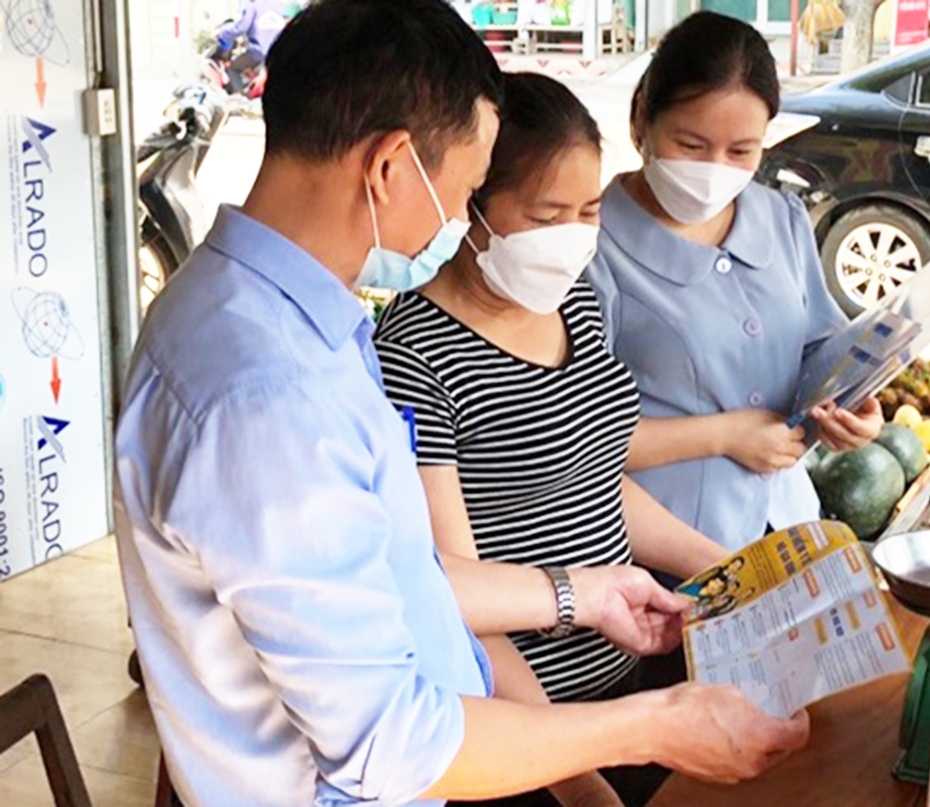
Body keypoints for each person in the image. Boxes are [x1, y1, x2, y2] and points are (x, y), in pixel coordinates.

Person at [115, 3, 809, 807]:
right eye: (468, 188)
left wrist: (583, 592)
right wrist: (649, 725)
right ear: (391, 167)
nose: (460, 217)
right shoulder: (269, 397)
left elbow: (403, 568)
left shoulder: (263, 311)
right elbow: (392, 745)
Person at [375, 72, 731, 807]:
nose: (573, 238)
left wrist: (727, 567)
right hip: (527, 736)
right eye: (546, 215)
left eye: (590, 210)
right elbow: (451, 596)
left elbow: (592, 481)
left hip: (635, 687)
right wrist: (575, 778)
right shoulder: (412, 353)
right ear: (474, 208)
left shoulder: (575, 299)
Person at [587, 11, 883, 554]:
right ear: (640, 121)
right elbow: (565, 432)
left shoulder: (781, 219)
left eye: (741, 151)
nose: (715, 168)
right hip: (664, 553)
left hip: (789, 529)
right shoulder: (591, 245)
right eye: (692, 146)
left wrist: (852, 404)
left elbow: (820, 345)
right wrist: (724, 435)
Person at [216, 0, 288, 94]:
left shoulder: (252, 5)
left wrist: (223, 33)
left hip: (259, 52)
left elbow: (240, 27)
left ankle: (240, 98)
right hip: (279, 52)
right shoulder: (278, 5)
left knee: (232, 68)